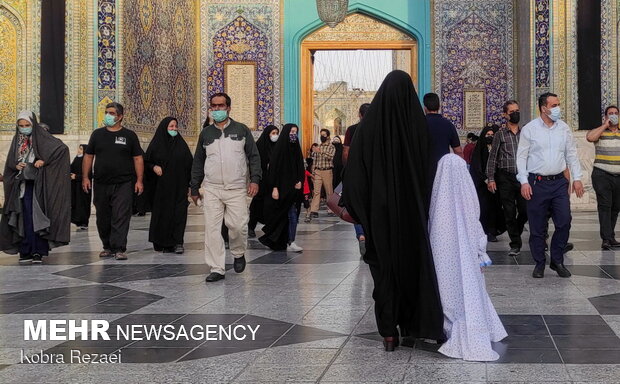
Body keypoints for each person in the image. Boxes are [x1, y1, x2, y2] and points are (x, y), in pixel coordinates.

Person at [343, 70, 445, 351]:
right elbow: (432, 171)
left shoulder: (365, 130)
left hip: (379, 217)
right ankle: (416, 325)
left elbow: (353, 178)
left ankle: (389, 333)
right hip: (413, 214)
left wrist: (362, 213)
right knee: (413, 267)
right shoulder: (418, 128)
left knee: (384, 271)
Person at [430, 154, 507, 361]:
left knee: (447, 288)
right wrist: (481, 251)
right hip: (467, 255)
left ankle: (448, 324)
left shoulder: (437, 204)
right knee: (470, 289)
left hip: (442, 254)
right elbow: (474, 224)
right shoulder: (468, 197)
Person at [190, 93, 261, 283]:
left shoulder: (242, 130)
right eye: (214, 106)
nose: (217, 109)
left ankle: (238, 253)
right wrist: (194, 187)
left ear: (228, 108)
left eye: (221, 106)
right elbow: (198, 161)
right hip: (212, 188)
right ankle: (217, 268)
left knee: (237, 225)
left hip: (236, 188)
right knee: (212, 229)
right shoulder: (206, 133)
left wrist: (255, 180)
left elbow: (254, 156)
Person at [517, 92, 584, 278]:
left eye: (558, 104)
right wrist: (523, 181)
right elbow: (521, 157)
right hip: (537, 183)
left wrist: (577, 178)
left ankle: (557, 260)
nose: (557, 108)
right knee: (537, 227)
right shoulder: (530, 129)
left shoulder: (563, 128)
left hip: (559, 184)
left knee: (564, 221)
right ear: (543, 108)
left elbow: (571, 154)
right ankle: (539, 263)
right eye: (554, 105)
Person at [0, 110, 71, 264]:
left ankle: (38, 250)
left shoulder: (42, 138)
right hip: (22, 186)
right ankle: (25, 251)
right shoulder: (17, 141)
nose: (24, 128)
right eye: (21, 125)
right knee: (23, 217)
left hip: (38, 186)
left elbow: (61, 150)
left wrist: (43, 161)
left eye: (27, 125)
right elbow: (11, 163)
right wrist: (16, 165)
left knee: (37, 217)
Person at [82, 102, 144, 261]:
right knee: (103, 215)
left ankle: (119, 248)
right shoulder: (97, 134)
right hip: (101, 182)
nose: (108, 116)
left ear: (120, 116)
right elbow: (89, 156)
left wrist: (139, 180)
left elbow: (137, 158)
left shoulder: (129, 136)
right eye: (106, 112)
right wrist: (85, 177)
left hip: (123, 182)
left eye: (111, 113)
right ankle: (107, 246)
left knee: (121, 215)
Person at [144, 117, 193, 253]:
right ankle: (161, 241)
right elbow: (147, 162)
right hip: (161, 188)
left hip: (179, 186)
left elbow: (190, 164)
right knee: (162, 214)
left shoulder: (181, 145)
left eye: (175, 127)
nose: (174, 129)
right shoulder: (156, 145)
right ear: (164, 128)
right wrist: (154, 167)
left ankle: (178, 242)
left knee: (179, 214)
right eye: (171, 127)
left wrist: (191, 184)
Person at [487, 100, 527, 256]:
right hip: (505, 177)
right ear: (505, 115)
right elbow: (493, 158)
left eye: (517, 110)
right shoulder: (500, 135)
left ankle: (516, 229)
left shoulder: (526, 134)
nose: (515, 114)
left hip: (522, 177)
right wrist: (491, 178)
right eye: (512, 112)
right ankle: (515, 243)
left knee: (525, 209)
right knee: (509, 211)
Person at [259, 124, 304, 252]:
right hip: (281, 189)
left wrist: (300, 181)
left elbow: (300, 166)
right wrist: (274, 187)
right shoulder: (279, 150)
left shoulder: (296, 149)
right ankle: (286, 241)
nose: (293, 134)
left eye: (295, 132)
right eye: (291, 132)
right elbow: (274, 170)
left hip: (294, 189)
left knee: (293, 214)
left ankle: (291, 240)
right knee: (285, 215)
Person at [586, 105, 620, 250]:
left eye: (615, 113)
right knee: (605, 206)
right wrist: (605, 125)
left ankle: (610, 236)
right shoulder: (599, 132)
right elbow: (589, 137)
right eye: (610, 114)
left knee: (616, 207)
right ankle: (606, 238)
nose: (613, 115)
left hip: (618, 176)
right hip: (602, 175)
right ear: (606, 116)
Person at [470, 124, 506, 242]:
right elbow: (476, 166)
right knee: (484, 208)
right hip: (482, 185)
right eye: (488, 135)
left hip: (497, 185)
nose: (490, 137)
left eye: (492, 135)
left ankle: (492, 231)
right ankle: (483, 230)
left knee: (495, 208)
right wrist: (485, 179)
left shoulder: (499, 148)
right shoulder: (479, 148)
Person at [343, 103, 371, 255]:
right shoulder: (379, 128)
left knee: (356, 205)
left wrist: (347, 170)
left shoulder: (352, 130)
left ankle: (361, 235)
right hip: (373, 175)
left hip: (356, 174)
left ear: (359, 114)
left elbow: (346, 152)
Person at [423, 92, 463, 186]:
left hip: (423, 170)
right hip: (443, 171)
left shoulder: (419, 124)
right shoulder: (448, 125)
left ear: (425, 108)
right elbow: (458, 150)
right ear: (439, 107)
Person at [248, 125, 279, 238]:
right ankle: (251, 226)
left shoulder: (277, 147)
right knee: (257, 205)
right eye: (273, 133)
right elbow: (255, 163)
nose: (275, 135)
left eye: (276, 133)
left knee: (271, 205)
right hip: (261, 180)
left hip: (273, 181)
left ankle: (270, 228)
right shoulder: (260, 146)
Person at [308, 129, 335, 220]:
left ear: (327, 136)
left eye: (324, 135)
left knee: (329, 191)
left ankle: (331, 209)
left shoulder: (331, 147)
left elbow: (330, 157)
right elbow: (315, 160)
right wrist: (313, 171)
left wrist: (321, 151)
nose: (322, 136)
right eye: (321, 135)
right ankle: (314, 210)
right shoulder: (318, 146)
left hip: (327, 171)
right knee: (316, 191)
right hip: (318, 171)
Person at [70, 144, 91, 230]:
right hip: (75, 186)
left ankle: (84, 222)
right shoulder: (77, 158)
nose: (79, 150)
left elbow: (89, 175)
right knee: (75, 203)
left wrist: (77, 177)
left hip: (83, 187)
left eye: (81, 149)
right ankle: (77, 221)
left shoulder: (86, 161)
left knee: (83, 204)